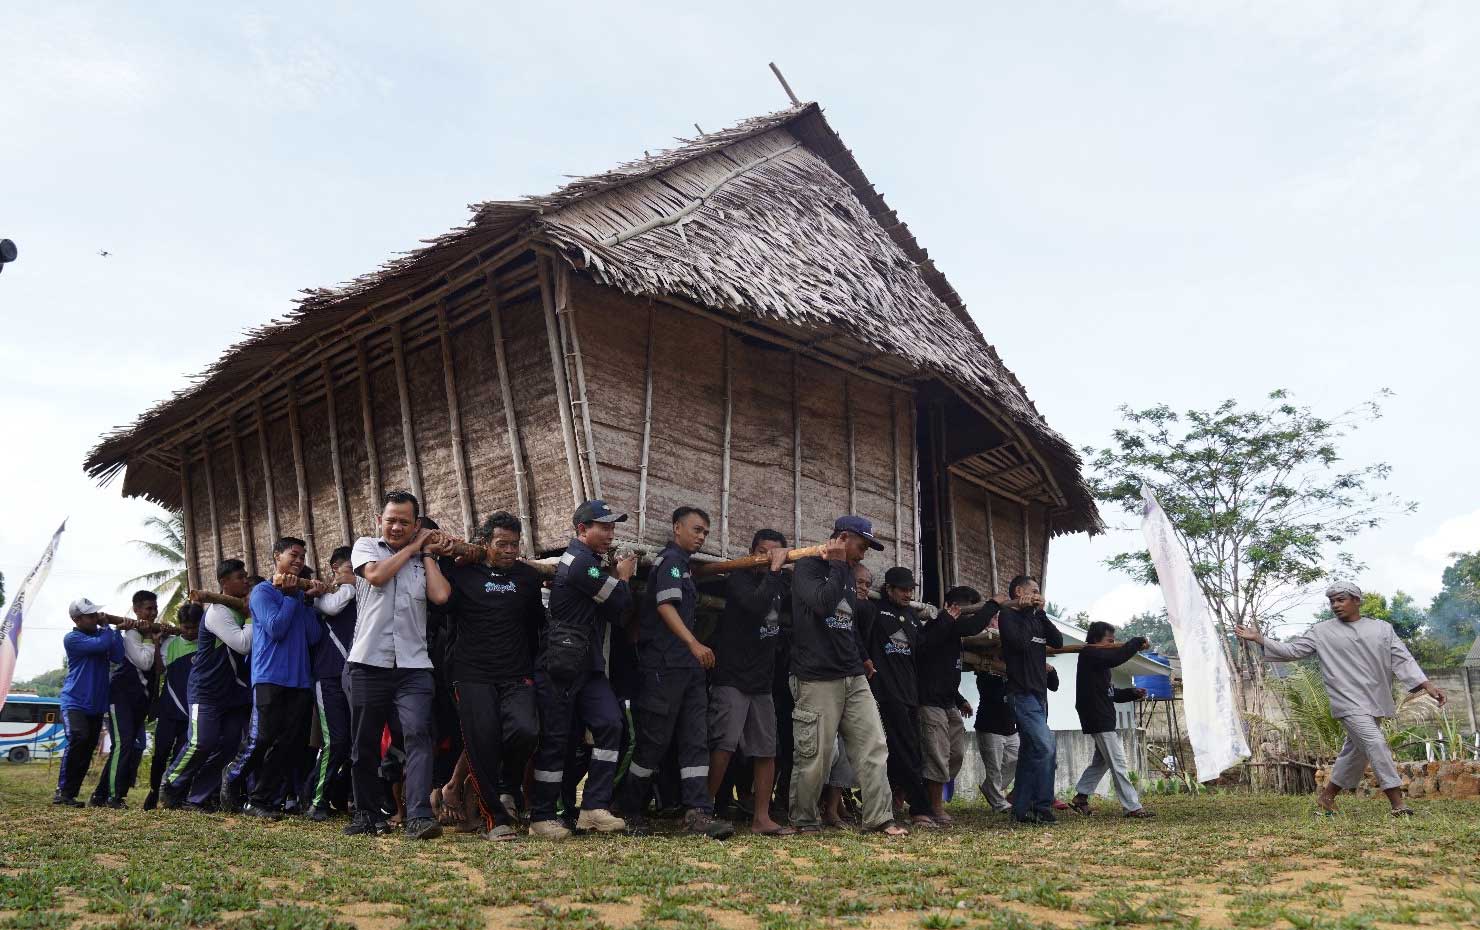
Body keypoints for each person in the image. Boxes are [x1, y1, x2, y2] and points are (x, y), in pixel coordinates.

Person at [1236, 580, 1446, 817]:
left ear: (1357, 600)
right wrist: (1260, 639)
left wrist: (1427, 684)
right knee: (1375, 744)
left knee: (1356, 752)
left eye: (1341, 599)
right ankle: (1398, 804)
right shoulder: (1322, 631)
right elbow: (1293, 651)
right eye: (1332, 601)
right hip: (1346, 701)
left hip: (1375, 700)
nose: (1335, 605)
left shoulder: (1382, 629)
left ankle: (1327, 798)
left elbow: (1402, 659)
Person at [619, 507, 733, 839]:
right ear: (676, 528)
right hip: (665, 667)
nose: (701, 536)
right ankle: (629, 808)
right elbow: (665, 606)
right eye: (696, 529)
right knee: (654, 743)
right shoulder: (669, 562)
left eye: (706, 533)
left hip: (689, 670)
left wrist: (693, 652)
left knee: (695, 740)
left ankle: (697, 813)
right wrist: (695, 644)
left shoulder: (684, 567)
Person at [430, 511, 544, 841]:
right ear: (484, 544)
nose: (509, 550)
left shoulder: (526, 578)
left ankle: (499, 787)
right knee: (481, 743)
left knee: (525, 730)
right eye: (501, 544)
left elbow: (536, 623)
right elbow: (440, 606)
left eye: (514, 544)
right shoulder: (462, 573)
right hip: (471, 675)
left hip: (516, 673)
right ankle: (495, 819)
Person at [788, 515, 902, 836]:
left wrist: (862, 658)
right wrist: (837, 565)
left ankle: (880, 818)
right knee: (816, 754)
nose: (864, 552)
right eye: (862, 545)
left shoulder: (850, 574)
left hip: (852, 674)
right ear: (843, 537)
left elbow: (846, 622)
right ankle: (805, 819)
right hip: (816, 676)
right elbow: (824, 604)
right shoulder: (808, 567)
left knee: (873, 745)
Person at [346, 490, 450, 840]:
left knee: (419, 734)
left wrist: (427, 554)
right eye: (391, 519)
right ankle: (367, 814)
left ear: (416, 524)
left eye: (405, 522)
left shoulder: (423, 561)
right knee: (365, 742)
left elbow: (440, 596)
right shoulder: (366, 547)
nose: (396, 526)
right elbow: (375, 576)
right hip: (368, 662)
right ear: (380, 520)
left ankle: (419, 815)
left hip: (414, 666)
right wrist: (412, 549)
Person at [528, 499, 635, 839]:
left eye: (612, 527)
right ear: (582, 530)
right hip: (560, 666)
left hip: (586, 666)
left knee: (610, 723)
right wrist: (624, 578)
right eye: (603, 527)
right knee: (556, 739)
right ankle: (541, 818)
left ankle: (593, 808)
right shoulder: (580, 563)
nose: (610, 533)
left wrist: (615, 579)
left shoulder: (591, 562)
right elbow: (620, 602)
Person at [221, 538, 325, 818]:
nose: (299, 560)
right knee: (262, 737)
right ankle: (232, 777)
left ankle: (260, 800)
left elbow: (314, 637)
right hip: (269, 677)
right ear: (277, 556)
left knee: (289, 744)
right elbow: (276, 628)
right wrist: (292, 598)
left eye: (302, 556)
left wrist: (307, 603)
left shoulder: (300, 599)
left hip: (300, 681)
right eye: (293, 555)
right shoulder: (262, 592)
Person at [708, 529, 794, 837]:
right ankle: (702, 812)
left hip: (762, 682)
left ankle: (762, 817)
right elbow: (757, 605)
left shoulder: (782, 582)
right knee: (724, 745)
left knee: (766, 750)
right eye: (762, 551)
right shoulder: (738, 578)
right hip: (732, 677)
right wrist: (774, 569)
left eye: (775, 553)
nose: (767, 557)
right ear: (751, 550)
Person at [162, 560, 254, 810]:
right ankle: (170, 784)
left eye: (246, 576)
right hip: (207, 689)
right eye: (239, 577)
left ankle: (196, 798)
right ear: (224, 583)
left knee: (228, 746)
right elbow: (244, 644)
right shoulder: (217, 612)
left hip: (232, 693)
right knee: (201, 741)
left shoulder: (239, 608)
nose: (245, 580)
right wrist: (249, 618)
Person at [863, 566, 937, 828]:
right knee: (905, 751)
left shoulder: (913, 618)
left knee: (909, 749)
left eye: (910, 590)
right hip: (885, 693)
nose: (907, 594)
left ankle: (900, 799)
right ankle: (920, 809)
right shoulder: (875, 611)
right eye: (903, 589)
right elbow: (860, 641)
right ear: (889, 589)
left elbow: (925, 651)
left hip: (910, 694)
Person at [916, 585, 995, 824]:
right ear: (955, 609)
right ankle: (935, 807)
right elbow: (926, 651)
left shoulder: (954, 636)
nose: (970, 621)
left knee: (956, 753)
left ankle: (928, 797)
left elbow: (946, 673)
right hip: (929, 702)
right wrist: (993, 605)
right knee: (937, 755)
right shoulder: (936, 626)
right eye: (968, 613)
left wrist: (960, 699)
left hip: (948, 702)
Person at [1068, 622, 1153, 818]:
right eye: (1110, 641)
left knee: (1102, 762)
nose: (1113, 644)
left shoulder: (1099, 661)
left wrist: (1131, 693)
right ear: (1097, 640)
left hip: (1102, 715)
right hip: (1097, 716)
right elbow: (1117, 657)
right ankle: (1132, 807)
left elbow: (1109, 693)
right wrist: (1134, 643)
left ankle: (1081, 797)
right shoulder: (1090, 653)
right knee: (1118, 763)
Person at [997, 574, 1061, 825]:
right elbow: (1021, 645)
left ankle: (1022, 809)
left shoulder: (1038, 619)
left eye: (1038, 592)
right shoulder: (1008, 615)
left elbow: (1056, 641)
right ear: (1018, 592)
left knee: (1030, 751)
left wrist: (1041, 614)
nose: (1037, 595)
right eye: (1032, 591)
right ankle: (1041, 807)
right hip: (1021, 694)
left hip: (1039, 696)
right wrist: (1024, 612)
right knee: (1046, 747)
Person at [89, 591, 161, 808]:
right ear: (137, 610)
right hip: (121, 699)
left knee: (134, 747)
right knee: (123, 745)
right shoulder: (131, 634)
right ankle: (114, 797)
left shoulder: (153, 635)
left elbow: (158, 667)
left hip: (140, 702)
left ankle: (99, 796)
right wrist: (149, 638)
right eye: (148, 608)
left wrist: (155, 640)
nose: (153, 613)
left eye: (154, 608)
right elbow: (144, 663)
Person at [55, 599, 129, 807]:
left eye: (96, 613)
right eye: (90, 615)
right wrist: (108, 627)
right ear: (76, 619)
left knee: (87, 748)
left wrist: (117, 632)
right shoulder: (72, 638)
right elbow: (101, 645)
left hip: (96, 705)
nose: (95, 617)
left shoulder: (101, 635)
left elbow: (118, 655)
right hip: (74, 702)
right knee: (79, 738)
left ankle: (69, 795)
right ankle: (62, 791)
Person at [303, 547, 357, 821]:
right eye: (352, 568)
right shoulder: (321, 597)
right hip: (329, 677)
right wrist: (348, 585)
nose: (358, 574)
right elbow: (333, 606)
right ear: (335, 568)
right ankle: (315, 801)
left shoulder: (366, 595)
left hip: (358, 676)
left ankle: (343, 797)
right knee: (335, 741)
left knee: (355, 743)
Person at [143, 604, 200, 810]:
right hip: (169, 709)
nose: (190, 632)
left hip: (193, 711)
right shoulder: (171, 643)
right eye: (186, 628)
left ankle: (174, 795)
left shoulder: (208, 643)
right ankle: (153, 791)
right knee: (161, 753)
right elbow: (159, 669)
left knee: (182, 755)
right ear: (179, 626)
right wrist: (158, 644)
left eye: (194, 627)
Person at [973, 656, 1018, 815]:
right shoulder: (985, 674)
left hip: (1010, 727)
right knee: (994, 767)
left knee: (1015, 760)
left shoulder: (1013, 674)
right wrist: (1007, 677)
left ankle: (990, 789)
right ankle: (999, 803)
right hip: (990, 726)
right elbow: (995, 696)